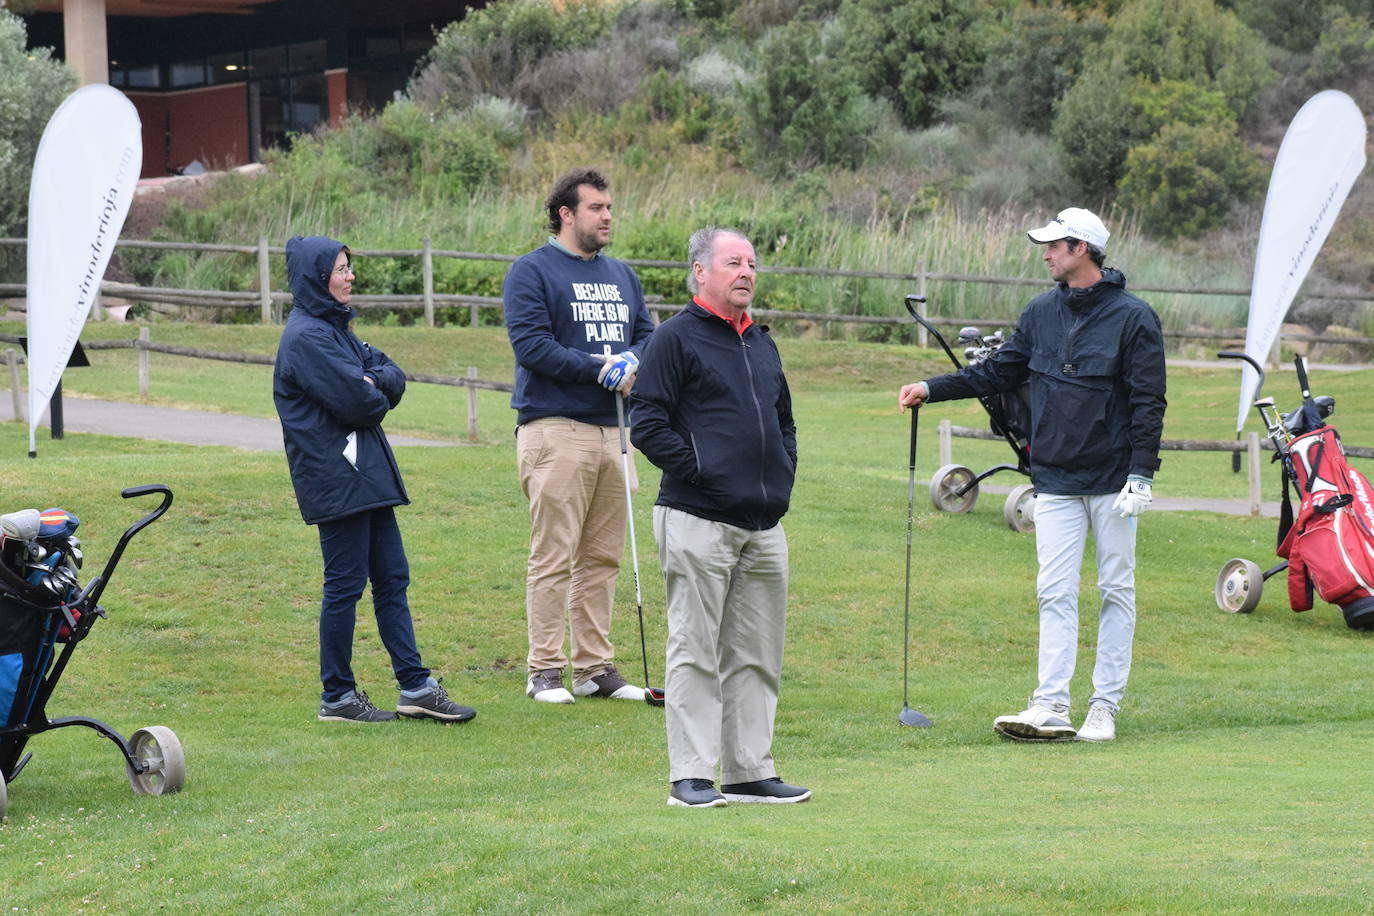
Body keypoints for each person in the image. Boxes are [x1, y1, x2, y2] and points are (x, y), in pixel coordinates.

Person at [898, 208, 1166, 743]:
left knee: (1116, 589)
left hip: (1113, 480)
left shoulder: (1135, 318)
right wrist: (932, 387)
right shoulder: (1042, 311)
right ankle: (1050, 705)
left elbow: (1147, 400)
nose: (1045, 254)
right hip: (1055, 478)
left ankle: (1104, 708)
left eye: (1053, 246)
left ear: (1081, 249)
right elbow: (998, 371)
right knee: (1054, 592)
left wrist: (1142, 473)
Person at [630, 227, 809, 808]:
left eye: (752, 263)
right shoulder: (674, 339)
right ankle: (691, 775)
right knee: (694, 647)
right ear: (701, 271)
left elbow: (784, 420)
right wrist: (705, 470)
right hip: (697, 518)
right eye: (734, 262)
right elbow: (648, 422)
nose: (747, 272)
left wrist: (782, 471)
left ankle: (749, 770)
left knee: (757, 653)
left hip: (764, 523)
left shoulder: (761, 340)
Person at [274, 235, 476, 725]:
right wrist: (370, 384)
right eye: (341, 269)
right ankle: (337, 696)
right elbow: (361, 403)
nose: (350, 277)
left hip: (365, 475)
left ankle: (415, 687)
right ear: (317, 277)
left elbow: (392, 375)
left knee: (392, 578)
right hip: (337, 480)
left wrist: (373, 380)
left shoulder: (335, 329)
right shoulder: (307, 338)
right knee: (344, 585)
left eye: (349, 268)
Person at [504, 168, 657, 704]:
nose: (608, 215)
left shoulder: (623, 276)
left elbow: (647, 333)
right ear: (566, 214)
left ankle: (594, 669)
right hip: (555, 428)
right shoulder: (532, 272)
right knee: (554, 554)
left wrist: (633, 359)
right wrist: (599, 366)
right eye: (596, 207)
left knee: (602, 556)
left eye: (610, 206)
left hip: (614, 430)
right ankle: (544, 670)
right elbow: (533, 347)